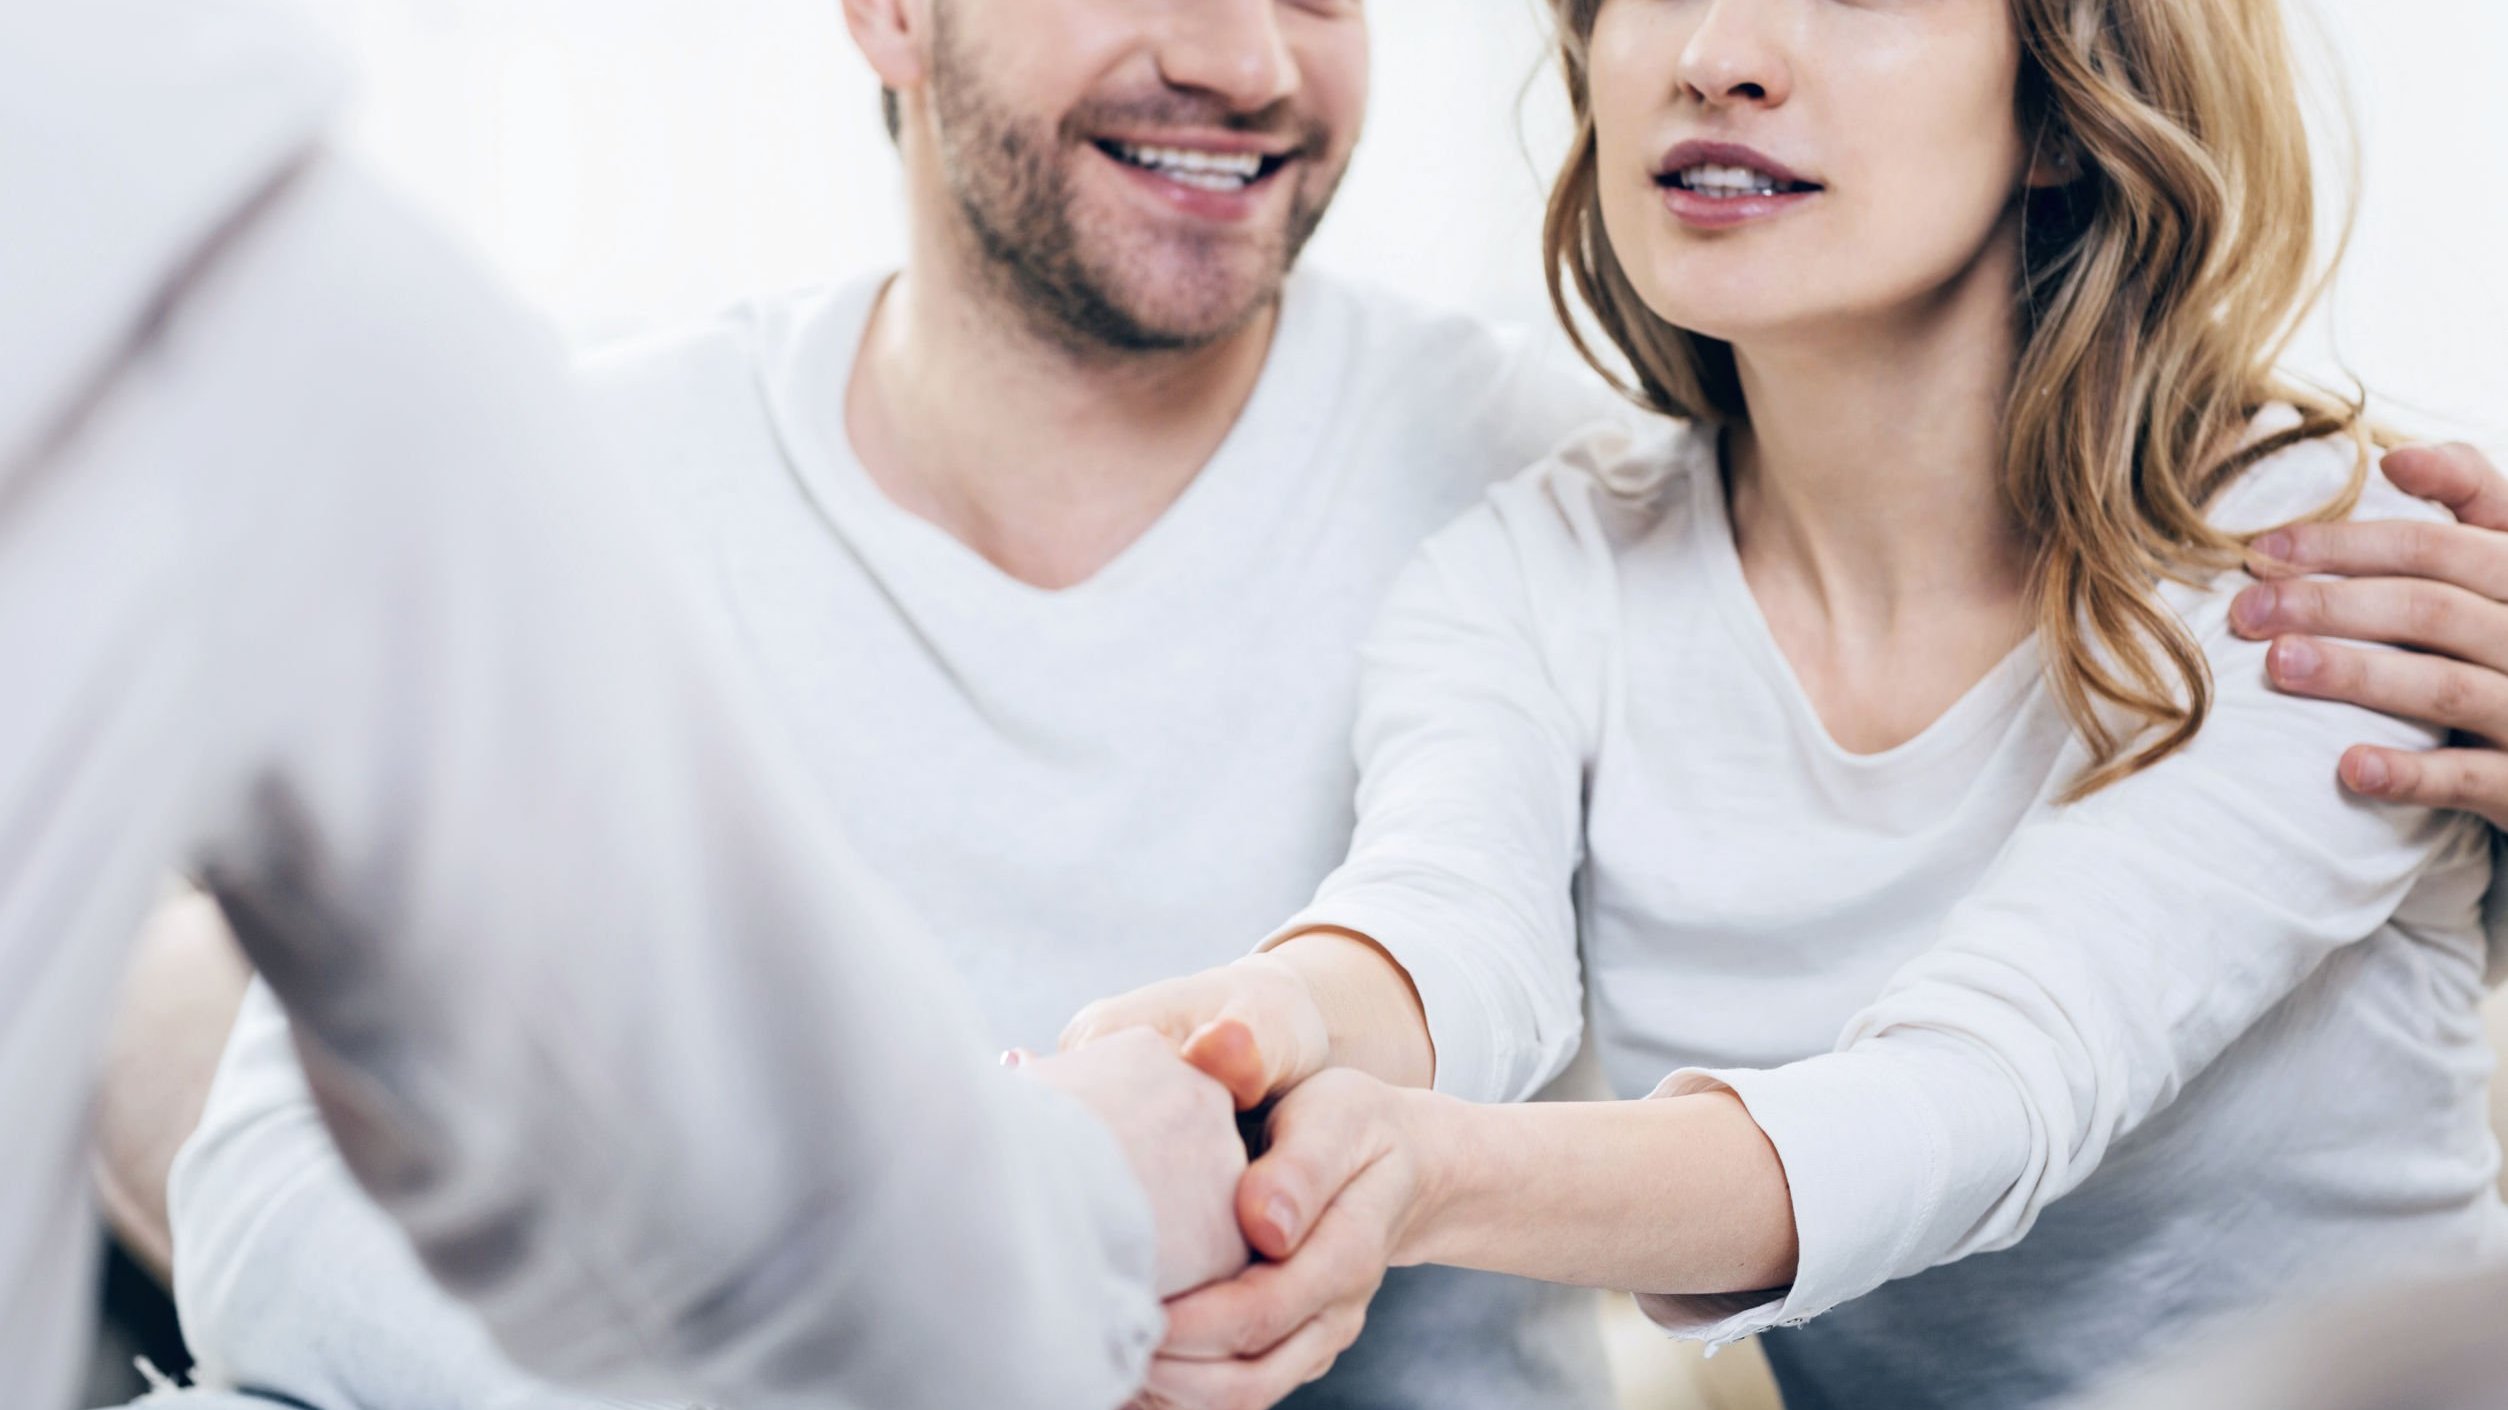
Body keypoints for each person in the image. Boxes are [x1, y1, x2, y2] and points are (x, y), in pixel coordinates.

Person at [136, 1, 1624, 1408]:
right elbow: (281, 1222)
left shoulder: (1557, 487)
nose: (1247, 62)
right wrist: (974, 1286)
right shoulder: (608, 483)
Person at [1069, 1, 2508, 1407]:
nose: (1715, 57)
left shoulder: (2329, 574)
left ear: (2070, 96)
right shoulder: (1533, 576)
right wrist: (1256, 1029)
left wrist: (1414, 1173)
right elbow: (1441, 923)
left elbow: (1974, 1096)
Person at [1, 2, 1251, 1408]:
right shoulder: (261, 315)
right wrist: (1098, 1188)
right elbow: (848, 1286)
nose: (1245, 59)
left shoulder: (1510, 487)